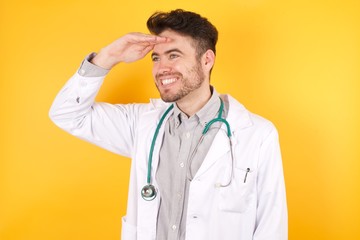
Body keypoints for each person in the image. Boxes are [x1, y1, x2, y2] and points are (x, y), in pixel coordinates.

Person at [49, 9, 287, 240]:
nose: (161, 68)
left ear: (207, 60)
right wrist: (108, 57)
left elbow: (271, 228)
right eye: (156, 58)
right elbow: (67, 114)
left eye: (173, 55)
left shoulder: (257, 134)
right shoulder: (142, 123)